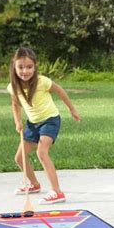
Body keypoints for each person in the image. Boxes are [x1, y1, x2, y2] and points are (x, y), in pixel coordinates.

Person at [7, 47, 81, 204]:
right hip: (32, 123)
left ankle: (57, 192)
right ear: (14, 66)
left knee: (42, 152)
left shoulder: (42, 82)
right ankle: (34, 184)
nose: (25, 71)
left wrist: (72, 109)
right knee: (19, 157)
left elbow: (60, 91)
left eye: (29, 67)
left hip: (50, 120)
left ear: (35, 67)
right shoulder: (13, 87)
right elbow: (15, 104)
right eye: (21, 67)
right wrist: (17, 121)